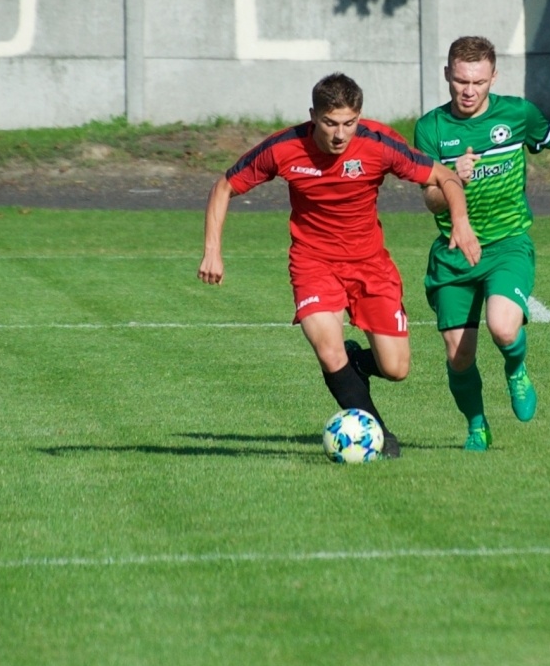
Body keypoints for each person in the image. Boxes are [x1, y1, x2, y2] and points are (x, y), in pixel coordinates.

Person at [199, 73, 479, 458]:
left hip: (370, 264)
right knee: (329, 352)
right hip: (313, 262)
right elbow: (225, 186)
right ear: (313, 115)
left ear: (359, 117)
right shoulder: (284, 148)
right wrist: (212, 250)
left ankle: (356, 362)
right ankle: (376, 433)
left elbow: (444, 177)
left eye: (349, 123)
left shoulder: (378, 143)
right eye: (330, 123)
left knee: (396, 368)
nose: (339, 134)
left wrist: (460, 222)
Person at [413, 36, 550, 451]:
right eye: (460, 81)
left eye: (478, 82)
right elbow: (430, 199)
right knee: (459, 356)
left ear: (493, 77)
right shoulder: (430, 128)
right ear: (447, 75)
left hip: (507, 245)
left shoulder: (517, 114)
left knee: (503, 327)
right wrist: (453, 177)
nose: (468, 91)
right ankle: (477, 427)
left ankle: (516, 369)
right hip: (454, 252)